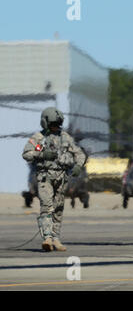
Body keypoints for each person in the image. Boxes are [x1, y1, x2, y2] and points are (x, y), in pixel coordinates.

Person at [22, 107, 86, 252]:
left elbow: (80, 154)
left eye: (58, 124)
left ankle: (56, 238)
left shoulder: (65, 137)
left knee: (58, 208)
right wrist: (42, 154)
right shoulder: (38, 138)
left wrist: (78, 166)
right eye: (53, 124)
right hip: (45, 177)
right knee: (46, 206)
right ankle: (47, 238)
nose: (56, 127)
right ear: (45, 123)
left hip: (61, 177)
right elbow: (26, 154)